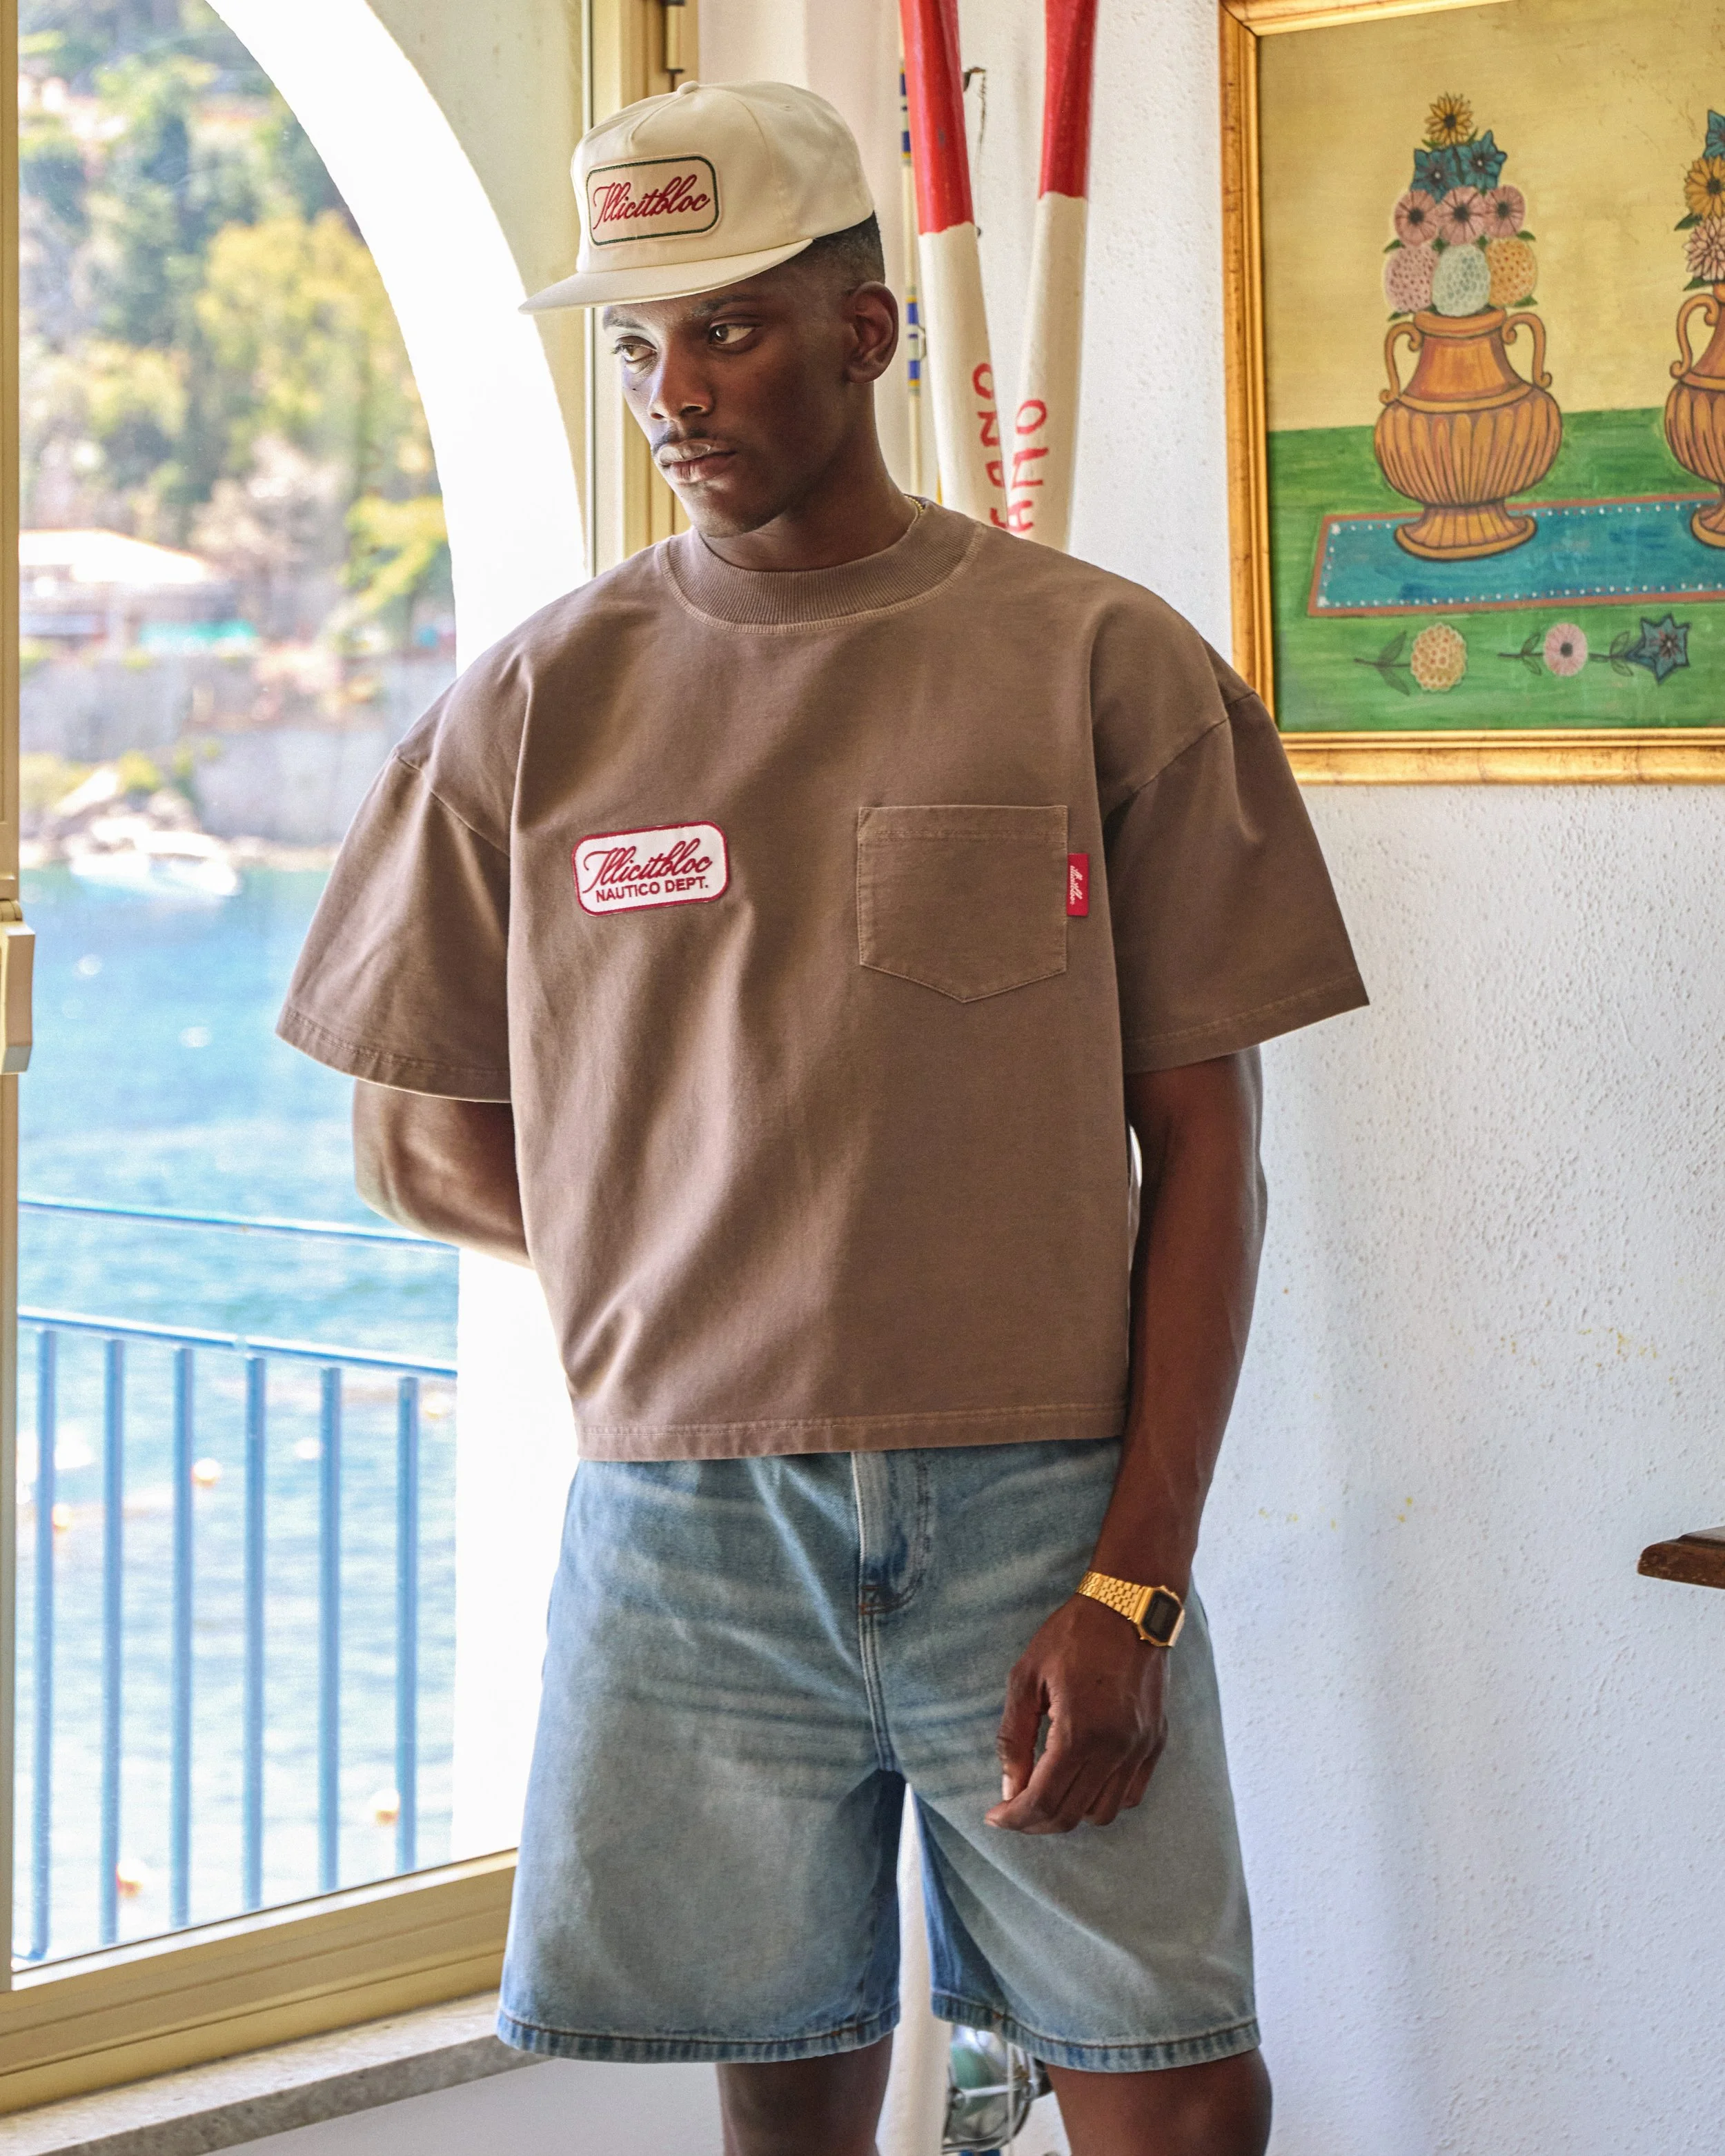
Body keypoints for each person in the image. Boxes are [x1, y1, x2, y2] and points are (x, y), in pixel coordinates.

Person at [278, 79, 1367, 2156]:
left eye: (730, 327)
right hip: (686, 1529)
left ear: (867, 336)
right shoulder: (534, 703)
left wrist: (1133, 1581)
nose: (671, 392)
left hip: (1040, 1515)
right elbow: (411, 1133)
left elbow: (1206, 1143)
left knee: (1172, 2084)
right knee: (778, 2085)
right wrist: (721, 1264)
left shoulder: (1096, 665)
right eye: (634, 342)